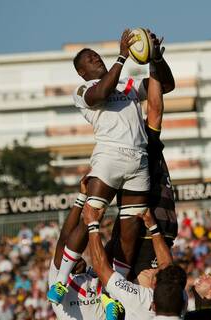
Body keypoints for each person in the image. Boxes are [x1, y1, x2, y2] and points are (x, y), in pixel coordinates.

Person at [70, 28, 175, 281]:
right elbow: (100, 95)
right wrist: (121, 58)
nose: (96, 58)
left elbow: (165, 87)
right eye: (89, 58)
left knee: (130, 228)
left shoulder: (127, 84)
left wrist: (155, 59)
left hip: (137, 160)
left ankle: (115, 288)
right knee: (91, 217)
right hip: (109, 158)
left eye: (96, 55)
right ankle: (62, 276)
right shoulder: (83, 89)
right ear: (82, 72)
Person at [83, 203, 187, 320]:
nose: (152, 270)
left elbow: (101, 268)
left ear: (153, 306)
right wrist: (154, 228)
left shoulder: (139, 299)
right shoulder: (177, 296)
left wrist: (92, 224)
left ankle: (107, 297)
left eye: (155, 275)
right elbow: (167, 265)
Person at [47, 176, 106, 319]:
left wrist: (82, 195)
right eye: (74, 259)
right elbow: (64, 238)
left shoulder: (94, 276)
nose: (78, 259)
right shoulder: (59, 280)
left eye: (78, 257)